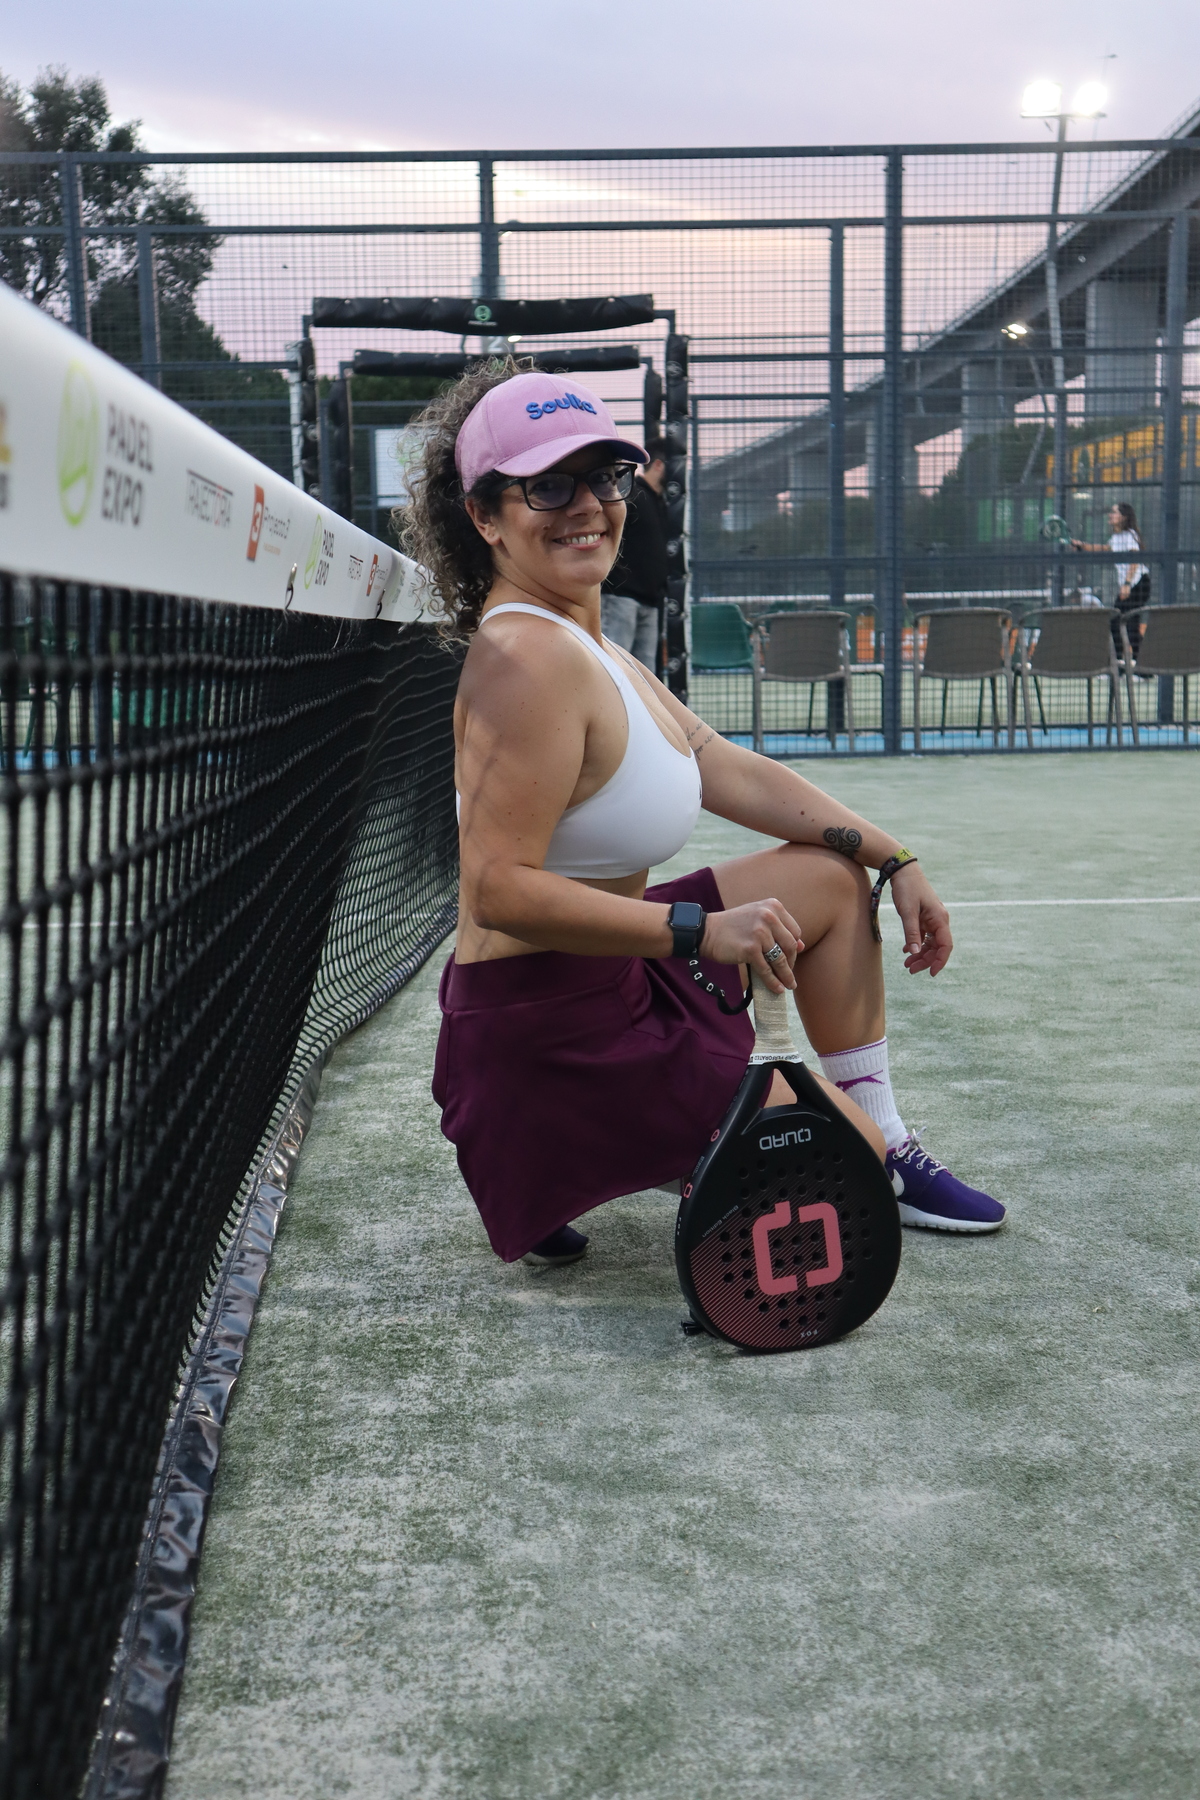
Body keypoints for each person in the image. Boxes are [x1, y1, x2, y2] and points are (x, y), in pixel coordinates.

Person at [401, 363, 1005, 1270]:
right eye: (548, 487)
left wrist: (895, 857)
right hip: (550, 1038)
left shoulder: (584, 640)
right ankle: (570, 1144)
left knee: (831, 879)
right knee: (836, 1156)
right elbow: (497, 891)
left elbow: (719, 763)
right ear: (485, 515)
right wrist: (700, 931)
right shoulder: (527, 659)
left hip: (621, 977)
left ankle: (885, 1141)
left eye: (604, 477)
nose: (587, 506)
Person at [600, 434, 670, 672]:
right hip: (621, 598)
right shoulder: (633, 494)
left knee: (645, 674)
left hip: (650, 601)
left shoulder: (660, 502)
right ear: (658, 465)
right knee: (616, 668)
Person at [1072, 501, 1150, 661]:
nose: (1110, 515)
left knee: (1126, 624)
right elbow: (1104, 548)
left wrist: (1127, 584)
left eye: (1114, 512)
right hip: (1132, 585)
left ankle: (1141, 666)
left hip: (1139, 584)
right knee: (1118, 623)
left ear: (1124, 517)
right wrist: (1082, 546)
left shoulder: (1129, 535)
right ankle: (1123, 663)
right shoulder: (1117, 537)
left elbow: (1135, 559)